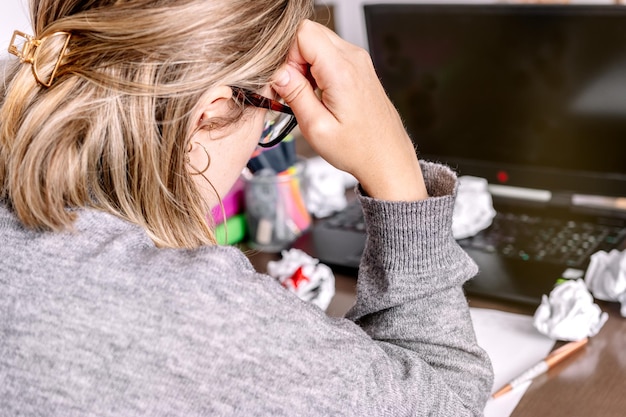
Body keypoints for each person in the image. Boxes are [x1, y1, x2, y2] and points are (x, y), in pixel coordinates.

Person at [0, 0, 493, 415]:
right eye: (273, 118)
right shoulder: (193, 318)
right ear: (211, 114)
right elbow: (448, 399)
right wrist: (396, 170)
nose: (261, 145)